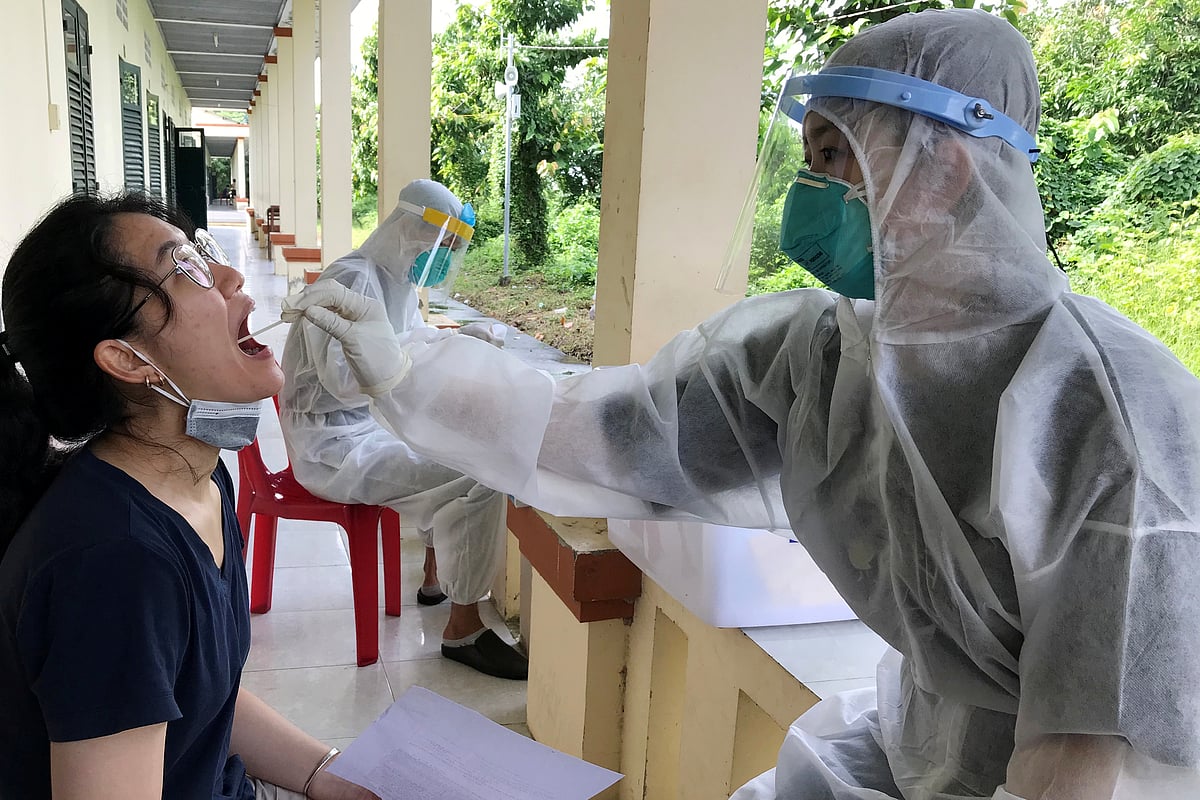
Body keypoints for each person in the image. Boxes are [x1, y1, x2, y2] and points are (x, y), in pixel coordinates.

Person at [281, 8, 1200, 799]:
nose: (807, 193)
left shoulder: (1112, 414)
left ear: (947, 168)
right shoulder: (820, 352)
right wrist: (412, 374)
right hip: (913, 738)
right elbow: (609, 439)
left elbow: (1095, 746)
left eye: (835, 155)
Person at [0, 194, 377, 800]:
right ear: (128, 358)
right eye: (185, 268)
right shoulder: (115, 564)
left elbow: (199, 704)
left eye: (203, 250)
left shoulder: (195, 475)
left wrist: (330, 776)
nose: (229, 276)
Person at [279, 179, 528, 680]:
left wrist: (458, 340)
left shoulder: (394, 283)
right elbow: (346, 382)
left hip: (365, 429)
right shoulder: (352, 280)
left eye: (453, 252)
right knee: (479, 473)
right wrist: (415, 357)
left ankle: (435, 579)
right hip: (332, 445)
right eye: (442, 248)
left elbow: (407, 339)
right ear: (411, 232)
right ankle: (463, 627)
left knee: (455, 441)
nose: (442, 261)